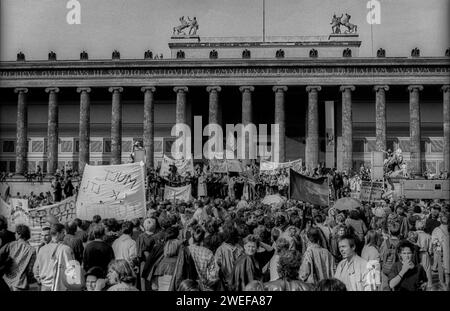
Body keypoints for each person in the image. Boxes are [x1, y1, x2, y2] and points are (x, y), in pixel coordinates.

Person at [33, 223, 76, 291]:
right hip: (60, 286)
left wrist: (41, 280)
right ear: (59, 233)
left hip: (44, 286)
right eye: (63, 232)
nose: (65, 234)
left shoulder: (41, 249)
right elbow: (72, 271)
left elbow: (36, 269)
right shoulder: (65, 249)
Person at [0, 224, 36, 291]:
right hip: (20, 284)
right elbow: (30, 270)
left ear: (19, 234)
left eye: (15, 233)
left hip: (7, 281)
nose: (14, 235)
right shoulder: (32, 250)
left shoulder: (10, 245)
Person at [187, 225, 219, 290]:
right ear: (204, 237)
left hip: (188, 287)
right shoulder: (208, 253)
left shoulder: (185, 250)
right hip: (204, 287)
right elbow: (213, 278)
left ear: (192, 237)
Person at [214, 222, 244, 290]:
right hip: (239, 282)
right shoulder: (240, 248)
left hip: (228, 282)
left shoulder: (220, 250)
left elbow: (216, 269)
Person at [431, 211, 450, 291]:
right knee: (445, 274)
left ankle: (445, 287)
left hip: (444, 254)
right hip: (444, 253)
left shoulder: (437, 230)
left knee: (445, 274)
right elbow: (435, 242)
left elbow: (434, 242)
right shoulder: (437, 229)